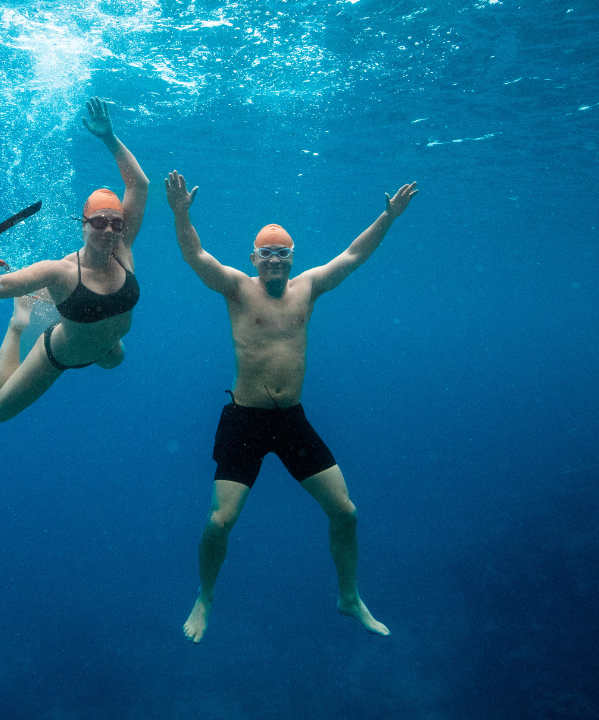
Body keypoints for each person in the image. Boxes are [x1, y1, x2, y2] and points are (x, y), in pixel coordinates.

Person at [165, 169, 418, 642]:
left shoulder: (309, 287)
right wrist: (181, 213)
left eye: (283, 253)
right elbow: (195, 254)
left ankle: (349, 597)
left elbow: (354, 255)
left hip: (291, 422)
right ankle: (204, 596)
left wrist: (388, 217)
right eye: (267, 253)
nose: (275, 260)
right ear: (254, 258)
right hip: (244, 420)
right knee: (221, 520)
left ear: (293, 256)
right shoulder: (237, 287)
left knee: (346, 512)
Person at [0, 98, 148, 422]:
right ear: (83, 224)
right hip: (61, 353)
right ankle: (20, 322)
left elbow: (139, 184)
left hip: (107, 349)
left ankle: (60, 320)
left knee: (115, 359)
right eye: (98, 222)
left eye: (116, 223)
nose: (108, 230)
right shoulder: (59, 271)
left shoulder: (123, 248)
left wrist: (109, 137)